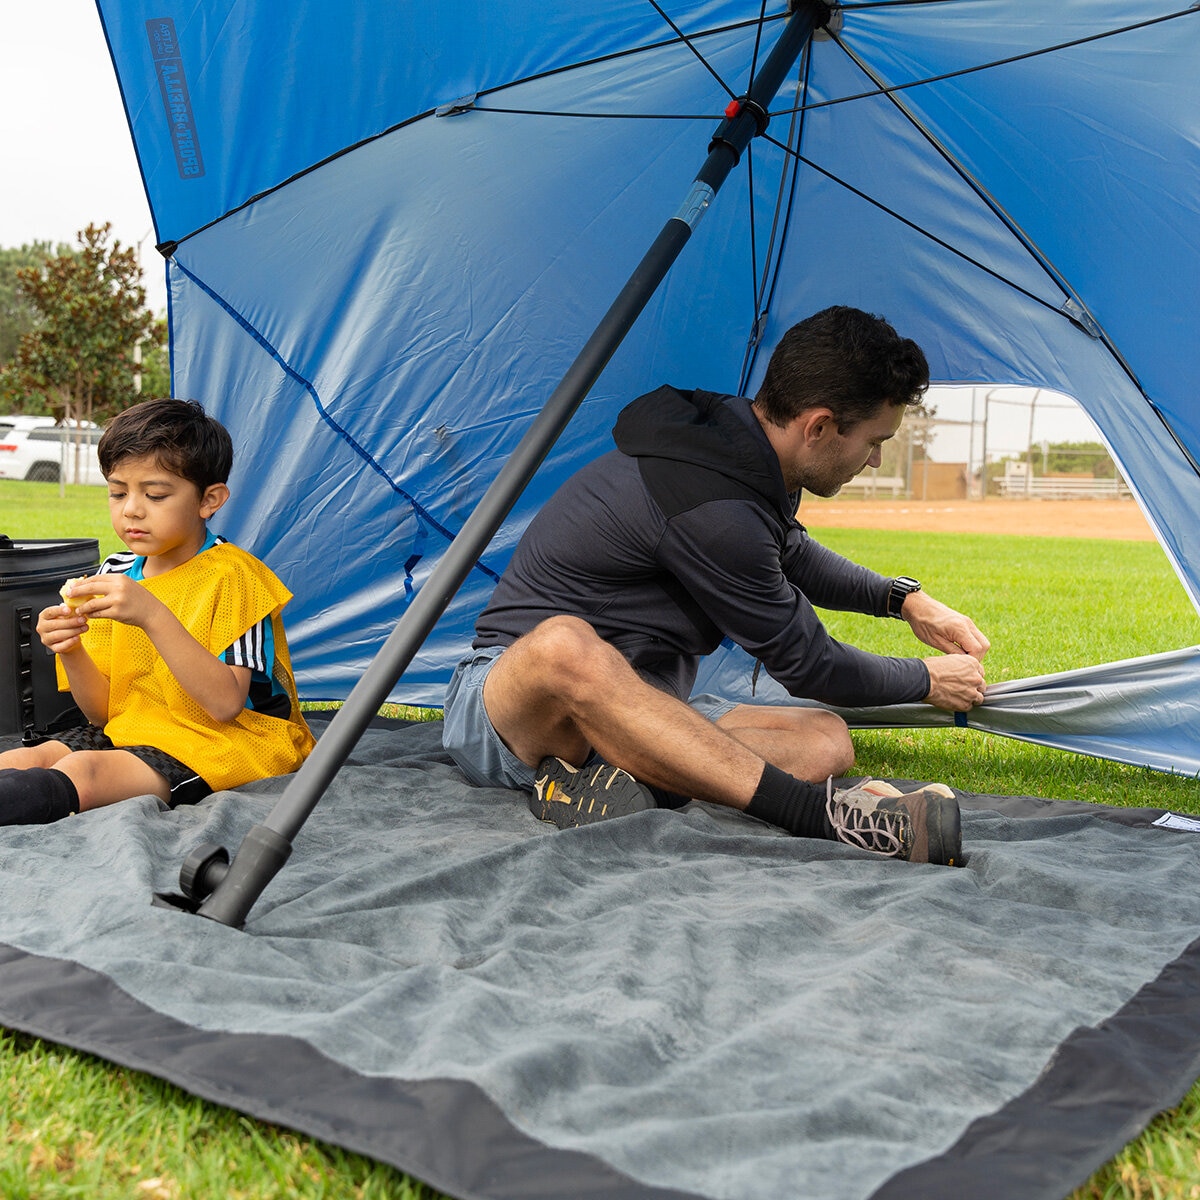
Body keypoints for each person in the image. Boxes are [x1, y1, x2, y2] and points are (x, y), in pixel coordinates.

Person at [443, 306, 989, 866]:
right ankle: (816, 814)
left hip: (639, 705)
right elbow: (810, 665)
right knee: (566, 644)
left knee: (826, 739)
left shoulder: (740, 451)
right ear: (819, 427)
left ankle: (612, 789)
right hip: (508, 706)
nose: (875, 460)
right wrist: (925, 679)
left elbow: (791, 550)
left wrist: (904, 599)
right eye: (876, 440)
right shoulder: (712, 504)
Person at [0, 398, 314, 824]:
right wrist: (71, 649)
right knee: (34, 755)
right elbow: (103, 713)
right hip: (132, 727)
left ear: (209, 500)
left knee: (83, 771)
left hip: (226, 740)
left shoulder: (236, 578)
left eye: (155, 494)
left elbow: (225, 705)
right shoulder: (115, 572)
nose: (131, 508)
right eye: (117, 492)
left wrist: (152, 613)